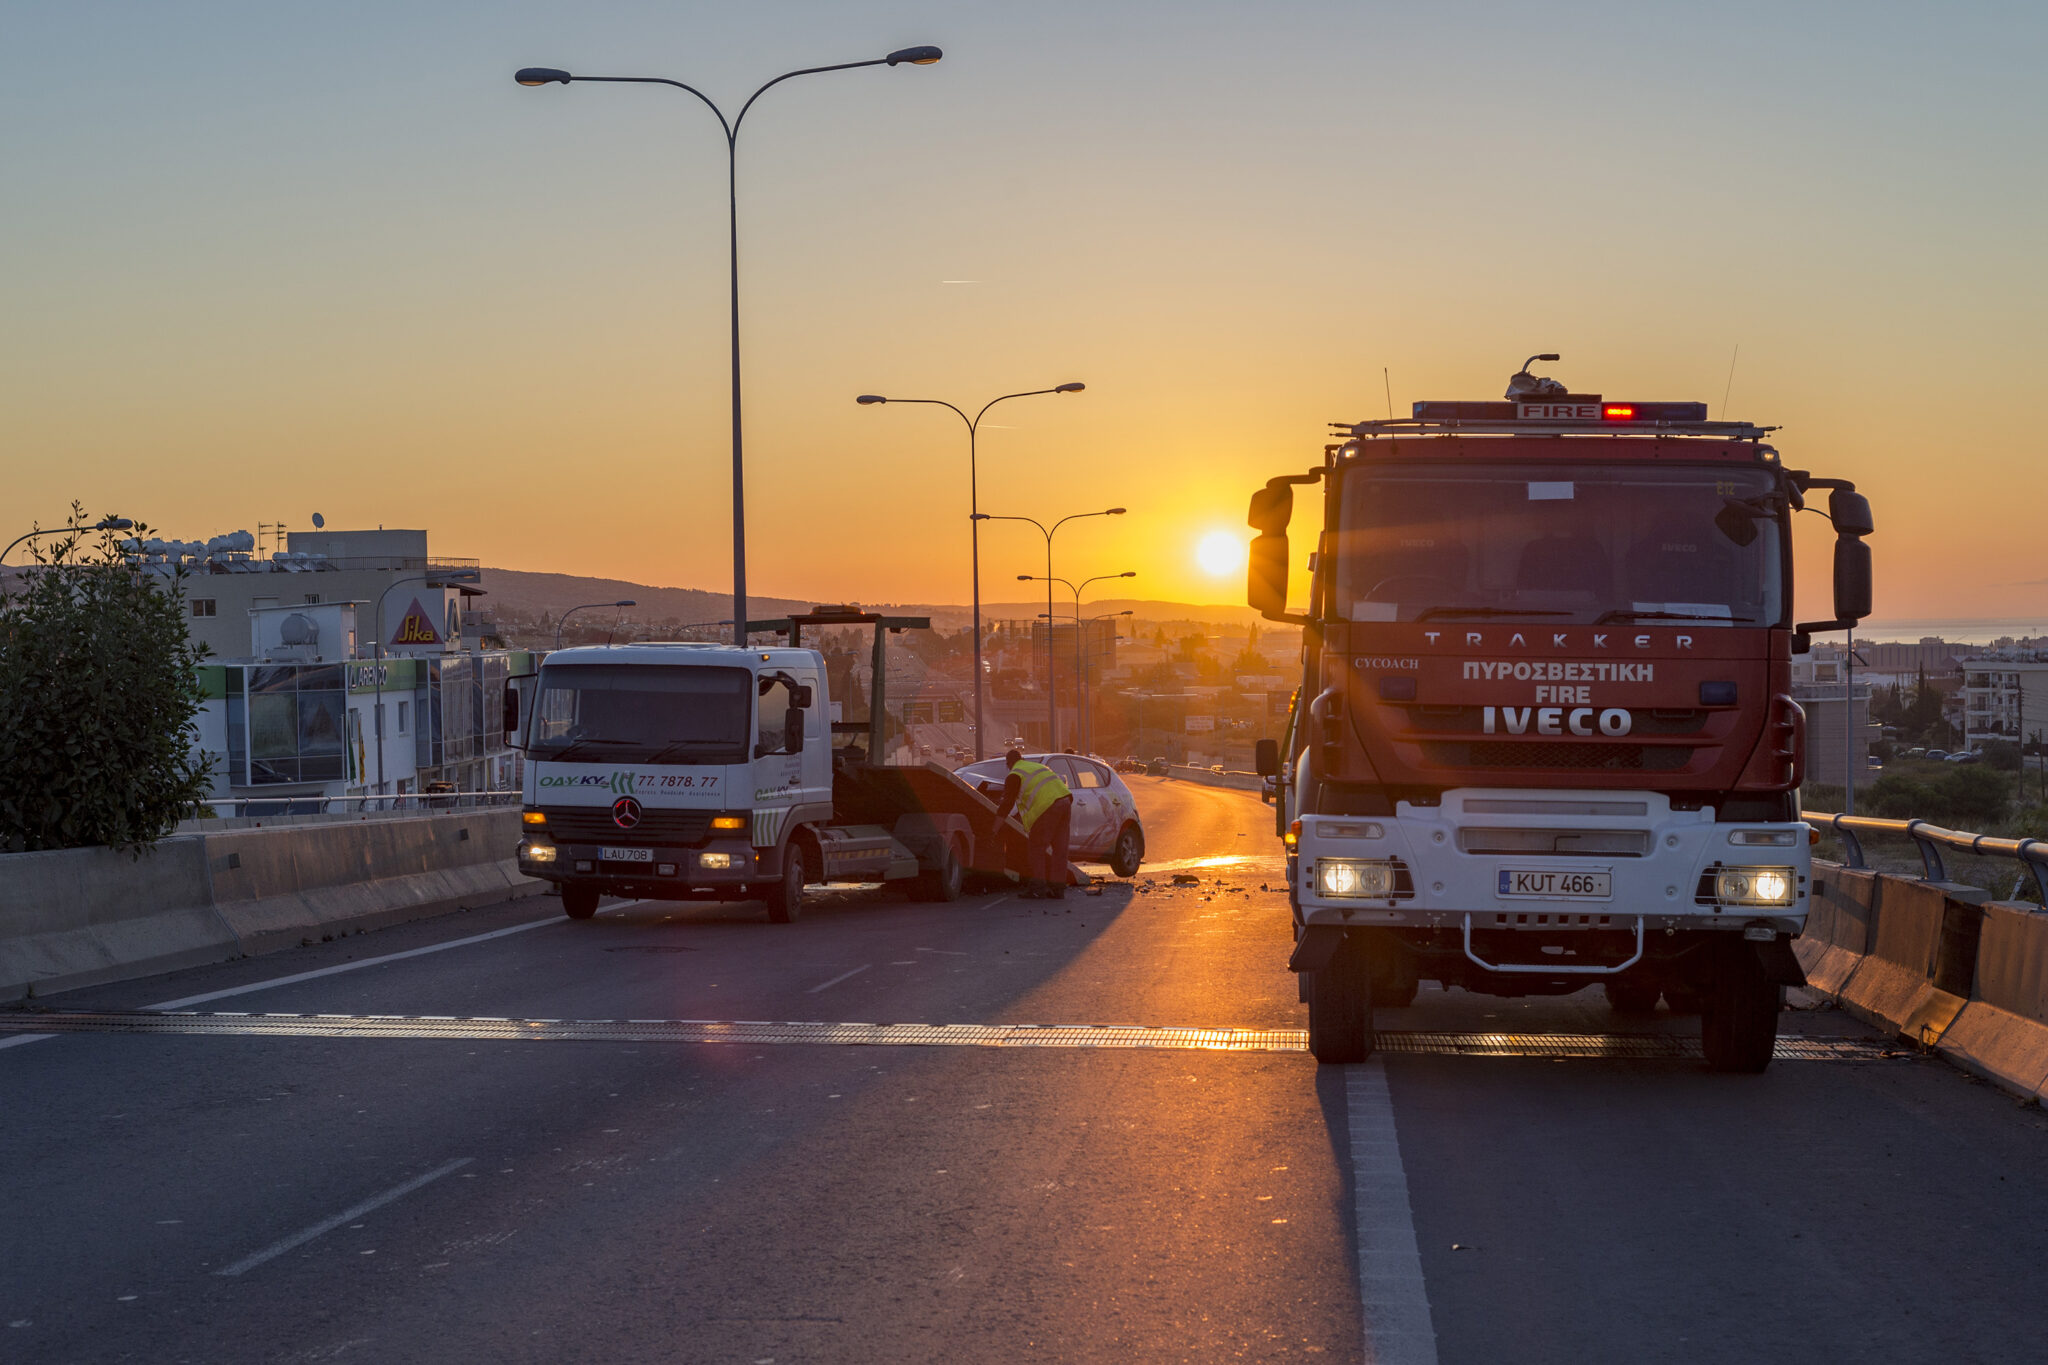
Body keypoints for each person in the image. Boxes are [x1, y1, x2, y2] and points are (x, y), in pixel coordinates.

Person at [990, 746, 1073, 899]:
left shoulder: (1015, 775)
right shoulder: (1036, 767)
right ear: (1021, 759)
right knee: (1060, 850)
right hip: (1065, 801)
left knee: (1036, 848)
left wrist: (994, 829)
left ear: (1008, 764)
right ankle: (1058, 889)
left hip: (1048, 806)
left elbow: (1007, 804)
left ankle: (1038, 888)